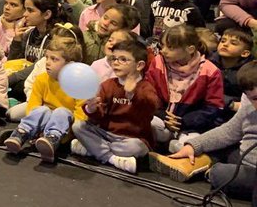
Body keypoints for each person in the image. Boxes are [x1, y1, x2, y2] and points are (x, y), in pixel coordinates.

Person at [158, 61, 257, 193]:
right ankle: (189, 162)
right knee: (217, 146)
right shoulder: (249, 101)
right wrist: (194, 145)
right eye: (252, 99)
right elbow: (230, 131)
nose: (254, 103)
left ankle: (203, 169)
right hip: (244, 157)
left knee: (220, 173)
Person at [71, 38, 161, 174]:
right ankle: (111, 158)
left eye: (123, 59)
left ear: (139, 65)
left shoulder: (145, 87)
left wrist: (133, 94)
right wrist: (92, 108)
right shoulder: (108, 85)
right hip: (105, 133)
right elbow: (99, 116)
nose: (116, 63)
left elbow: (151, 106)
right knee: (78, 126)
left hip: (130, 138)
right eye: (114, 59)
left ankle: (92, 149)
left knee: (137, 148)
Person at [0, 34, 87, 162]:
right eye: (47, 57)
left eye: (54, 59)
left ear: (70, 64)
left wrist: (70, 135)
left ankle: (51, 140)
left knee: (61, 112)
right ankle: (21, 134)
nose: (48, 62)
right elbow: (32, 106)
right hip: (43, 123)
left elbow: (81, 115)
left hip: (63, 128)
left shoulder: (79, 84)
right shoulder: (41, 79)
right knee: (42, 110)